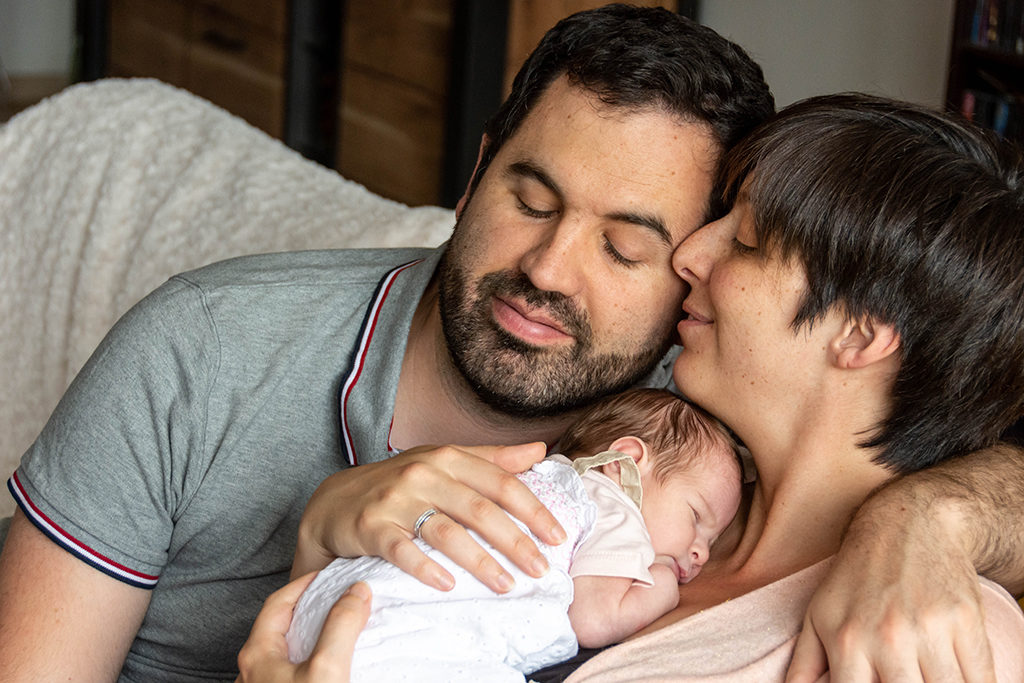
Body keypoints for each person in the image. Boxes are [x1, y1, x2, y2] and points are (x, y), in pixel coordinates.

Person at [0, 5, 1020, 681]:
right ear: (478, 169)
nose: (548, 268)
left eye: (632, 247)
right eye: (529, 199)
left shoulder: (721, 450)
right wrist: (319, 535)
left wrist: (929, 521)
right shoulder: (206, 348)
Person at [241, 93, 1024, 682]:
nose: (689, 254)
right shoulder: (660, 461)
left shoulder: (932, 634)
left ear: (861, 332)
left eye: (745, 241)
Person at [285, 389, 742, 681]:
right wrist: (660, 580)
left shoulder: (537, 477)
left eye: (711, 540)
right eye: (696, 516)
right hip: (398, 641)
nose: (700, 551)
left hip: (323, 612)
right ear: (624, 462)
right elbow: (596, 618)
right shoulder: (612, 503)